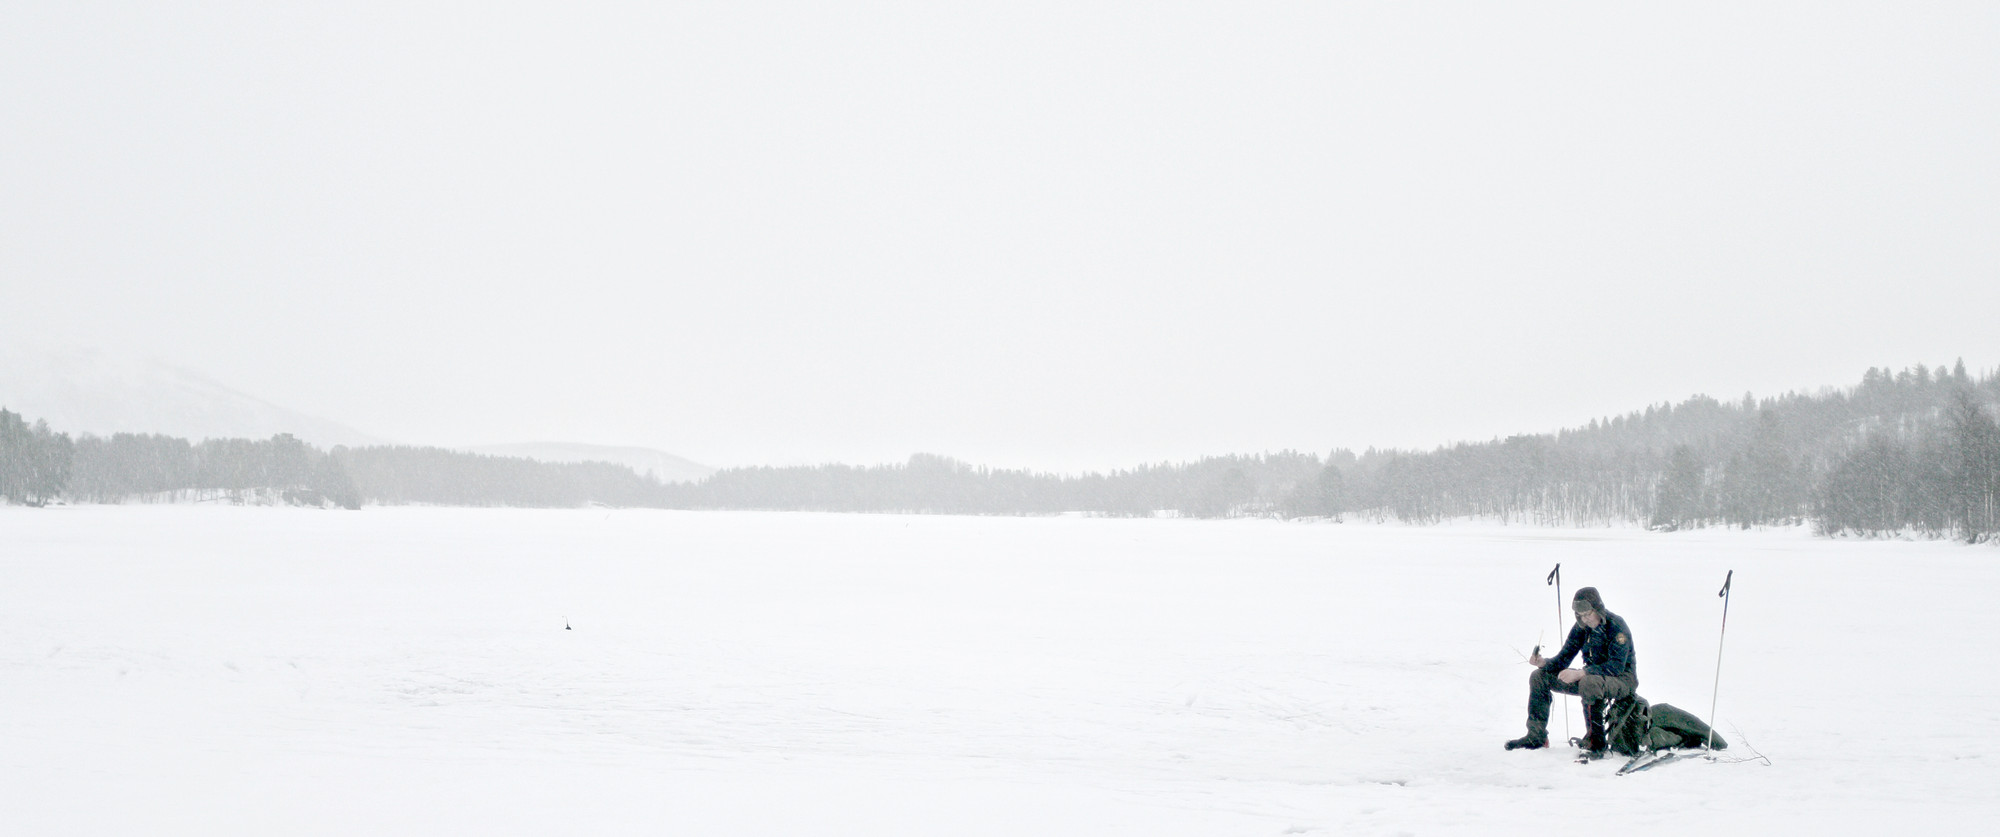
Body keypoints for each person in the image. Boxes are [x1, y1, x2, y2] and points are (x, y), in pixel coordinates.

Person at [1505, 586, 1637, 754]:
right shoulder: (1581, 628)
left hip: (1622, 680)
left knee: (1589, 682)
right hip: (1594, 679)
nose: (1585, 619)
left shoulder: (1617, 626)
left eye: (1588, 614)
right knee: (1539, 677)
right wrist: (1543, 663)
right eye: (1581, 616)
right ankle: (1536, 736)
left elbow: (1616, 666)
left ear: (1598, 609)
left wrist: (1582, 673)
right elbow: (1563, 659)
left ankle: (1596, 742)